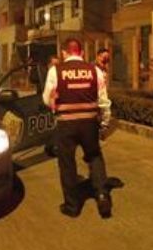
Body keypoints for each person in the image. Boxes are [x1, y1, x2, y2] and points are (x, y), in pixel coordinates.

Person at [42, 37, 112, 219]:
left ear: (64, 53)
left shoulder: (55, 71)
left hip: (66, 124)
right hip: (89, 123)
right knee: (94, 157)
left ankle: (72, 206)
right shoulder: (94, 70)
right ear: (81, 53)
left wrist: (54, 103)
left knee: (67, 163)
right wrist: (104, 124)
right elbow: (103, 101)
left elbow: (46, 98)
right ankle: (103, 195)